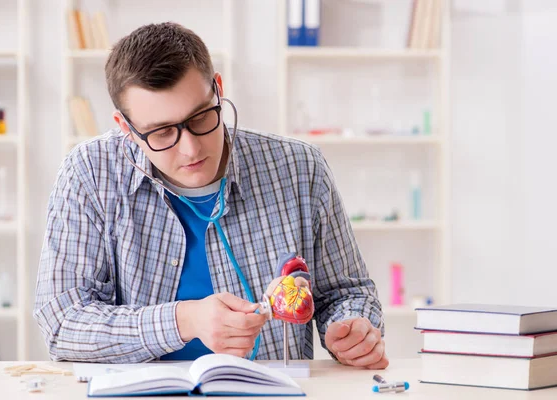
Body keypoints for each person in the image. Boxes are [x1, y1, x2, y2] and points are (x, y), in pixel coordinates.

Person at [34, 22, 388, 369]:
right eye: (161, 132)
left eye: (201, 117)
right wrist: (183, 320)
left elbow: (347, 293)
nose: (190, 149)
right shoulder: (89, 172)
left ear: (217, 89)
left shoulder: (299, 168)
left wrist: (352, 329)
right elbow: (61, 322)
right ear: (126, 128)